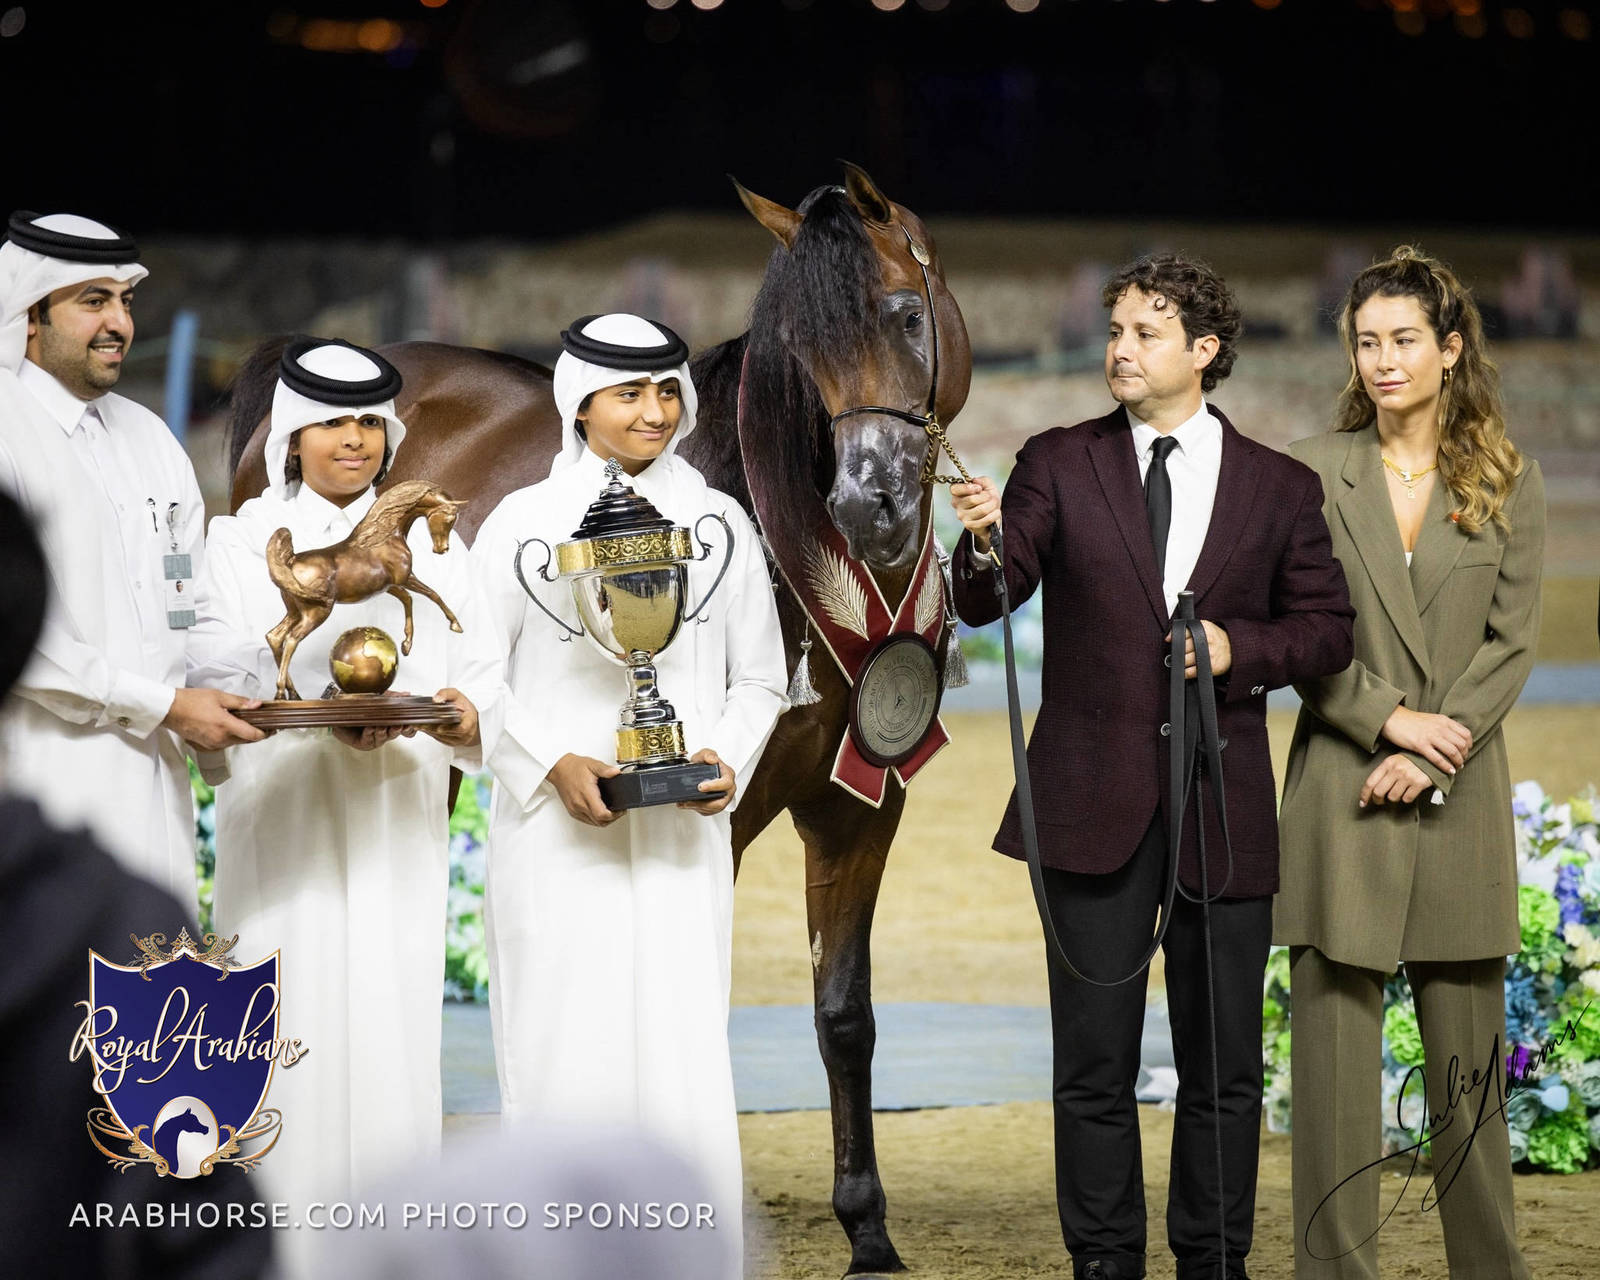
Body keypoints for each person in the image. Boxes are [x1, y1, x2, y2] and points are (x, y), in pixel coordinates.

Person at [948, 254, 1355, 1280]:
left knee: (1224, 1066)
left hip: (1224, 803)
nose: (1118, 349)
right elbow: (992, 595)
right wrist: (985, 542)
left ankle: (1211, 1259)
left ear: (1203, 351)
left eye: (1144, 332)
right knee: (1091, 1063)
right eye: (1115, 329)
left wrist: (1234, 650)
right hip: (1090, 800)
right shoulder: (1054, 459)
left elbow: (1323, 632)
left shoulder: (1280, 485)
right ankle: (1104, 1259)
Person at [470, 313, 787, 1279]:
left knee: (683, 1051)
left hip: (683, 843)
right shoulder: (523, 522)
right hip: (557, 841)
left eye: (665, 393)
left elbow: (760, 680)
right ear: (579, 404)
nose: (653, 412)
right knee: (563, 1045)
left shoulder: (721, 522)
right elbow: (476, 679)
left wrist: (725, 760)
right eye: (629, 395)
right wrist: (548, 762)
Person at [186, 339, 503, 1231]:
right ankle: (274, 1229)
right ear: (291, 438)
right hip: (280, 817)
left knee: (394, 1017)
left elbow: (482, 662)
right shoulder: (241, 543)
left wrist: (463, 709)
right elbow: (213, 654)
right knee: (283, 1010)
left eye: (369, 421)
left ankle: (394, 1235)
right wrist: (302, 703)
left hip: (398, 811)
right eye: (332, 422)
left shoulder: (432, 549)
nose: (353, 440)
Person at [1275, 247, 1541, 1280]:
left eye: (1403, 340)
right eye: (1366, 341)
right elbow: (1300, 630)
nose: (1383, 360)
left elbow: (1510, 645)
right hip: (1342, 790)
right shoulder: (1307, 471)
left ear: (1449, 347)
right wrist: (1388, 724)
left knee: (1467, 1083)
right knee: (1331, 1087)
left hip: (1457, 796)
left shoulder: (1508, 481)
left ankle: (1489, 1265)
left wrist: (1436, 752)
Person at [0, 489, 273, 1280]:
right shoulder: (121, 921)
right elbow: (211, 1236)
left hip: (150, 781)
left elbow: (194, 621)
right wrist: (162, 704)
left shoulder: (154, 443)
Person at [0, 210, 264, 917]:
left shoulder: (150, 439)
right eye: (93, 301)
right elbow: (19, 643)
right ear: (28, 315)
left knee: (147, 1013)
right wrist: (168, 706)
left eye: (126, 300)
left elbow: (189, 606)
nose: (120, 323)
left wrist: (268, 694)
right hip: (37, 792)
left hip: (155, 796)